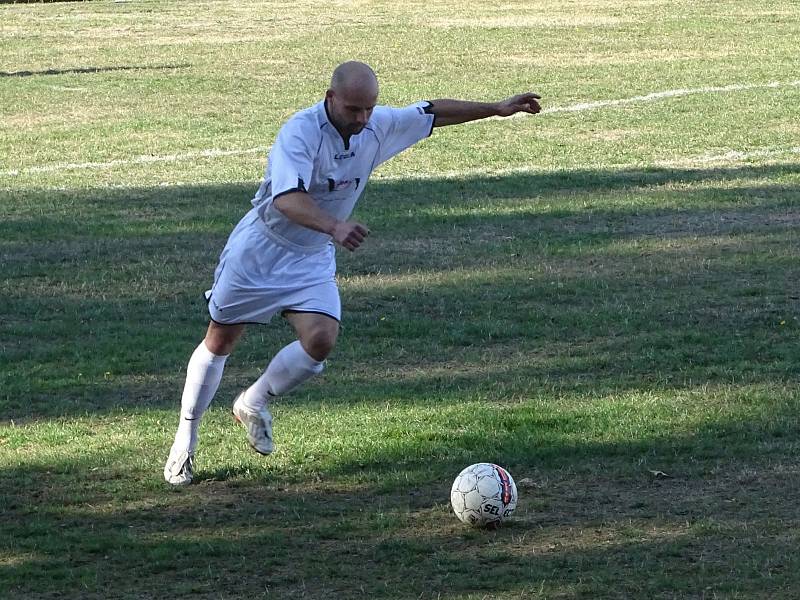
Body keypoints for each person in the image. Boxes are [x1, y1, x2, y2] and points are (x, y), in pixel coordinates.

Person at [164, 61, 541, 485]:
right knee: (220, 341)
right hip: (260, 252)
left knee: (321, 340)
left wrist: (495, 108)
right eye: (353, 109)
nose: (362, 119)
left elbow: (433, 112)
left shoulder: (375, 126)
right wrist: (335, 226)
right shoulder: (300, 132)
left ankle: (253, 401)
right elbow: (287, 199)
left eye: (369, 109)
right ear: (330, 99)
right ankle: (185, 442)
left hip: (311, 257)